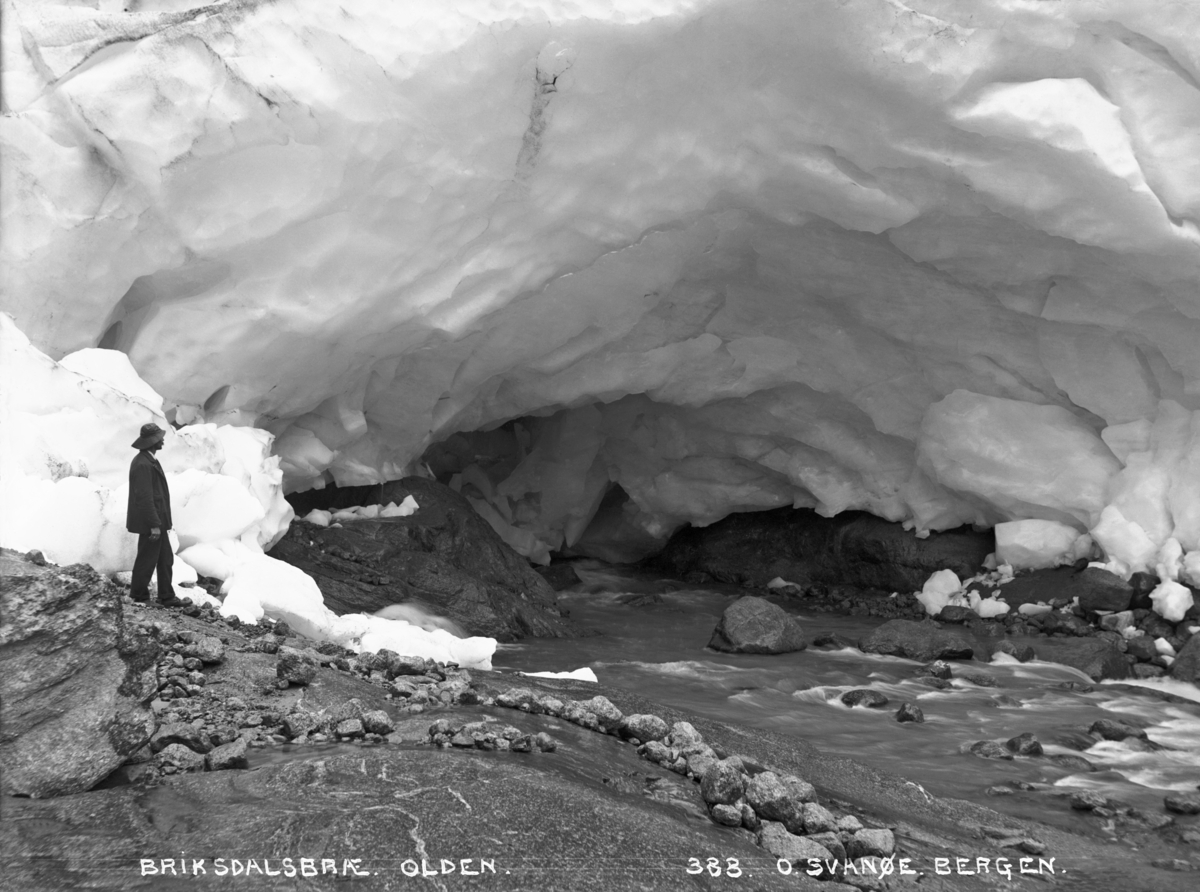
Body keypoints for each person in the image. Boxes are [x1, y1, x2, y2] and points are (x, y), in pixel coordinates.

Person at [126, 422, 181, 607]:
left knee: (165, 559)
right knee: (146, 559)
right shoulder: (143, 464)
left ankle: (166, 596)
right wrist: (154, 524)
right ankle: (139, 596)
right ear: (152, 442)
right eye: (159, 438)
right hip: (152, 523)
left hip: (158, 521)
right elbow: (144, 497)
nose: (162, 440)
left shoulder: (148, 460)